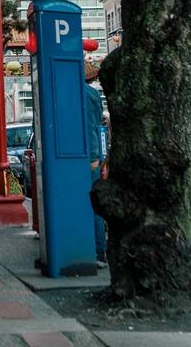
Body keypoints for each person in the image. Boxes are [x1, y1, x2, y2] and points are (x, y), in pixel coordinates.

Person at [85, 77, 107, 267]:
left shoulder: (68, 91)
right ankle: (100, 251)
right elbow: (100, 122)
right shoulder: (93, 94)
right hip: (94, 155)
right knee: (95, 205)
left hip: (76, 155)